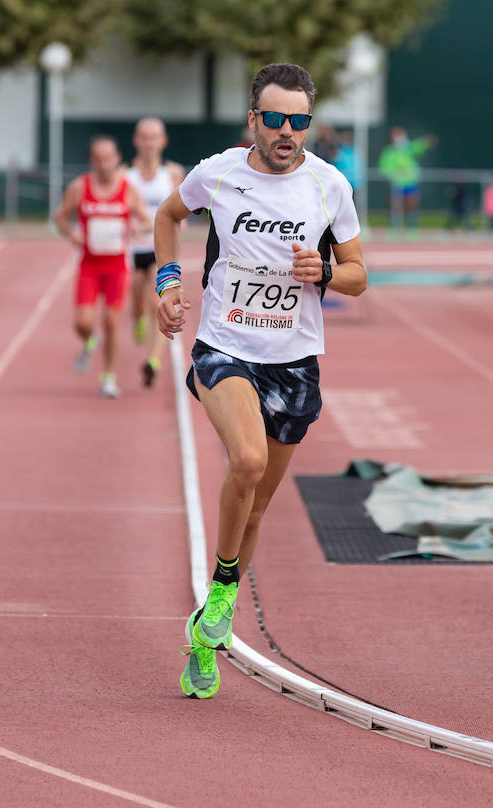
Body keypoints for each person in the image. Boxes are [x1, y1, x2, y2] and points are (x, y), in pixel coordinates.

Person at [153, 62, 366, 699]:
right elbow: (168, 217)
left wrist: (324, 272)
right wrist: (167, 284)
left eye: (298, 121)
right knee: (245, 462)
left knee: (258, 508)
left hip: (295, 360)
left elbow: (358, 273)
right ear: (253, 119)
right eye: (274, 119)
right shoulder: (218, 171)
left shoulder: (329, 186)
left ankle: (207, 630)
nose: (286, 132)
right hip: (225, 346)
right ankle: (220, 596)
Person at [55, 135, 150, 398]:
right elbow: (60, 216)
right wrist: (71, 235)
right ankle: (89, 340)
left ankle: (108, 376)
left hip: (117, 268)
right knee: (82, 323)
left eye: (108, 158)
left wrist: (136, 227)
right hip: (89, 266)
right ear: (91, 162)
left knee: (111, 323)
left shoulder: (128, 190)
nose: (104, 164)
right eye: (98, 159)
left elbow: (147, 221)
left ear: (117, 158)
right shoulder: (79, 187)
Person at [125, 117, 185, 387]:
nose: (149, 143)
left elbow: (181, 211)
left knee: (155, 301)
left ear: (163, 141)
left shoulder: (172, 174)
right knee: (137, 300)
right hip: (131, 249)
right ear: (137, 141)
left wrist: (177, 233)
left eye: (154, 138)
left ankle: (152, 360)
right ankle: (137, 319)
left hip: (159, 249)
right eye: (144, 138)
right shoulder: (124, 176)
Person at [377, 126, 435, 238]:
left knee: (411, 206)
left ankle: (411, 230)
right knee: (396, 207)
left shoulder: (408, 149)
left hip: (411, 183)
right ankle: (394, 230)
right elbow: (383, 167)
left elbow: (419, 146)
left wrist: (427, 141)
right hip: (397, 184)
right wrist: (394, 175)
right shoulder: (389, 152)